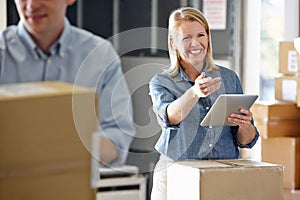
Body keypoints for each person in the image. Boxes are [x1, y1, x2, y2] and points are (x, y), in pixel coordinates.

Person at [0, 0, 135, 167]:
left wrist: (59, 153)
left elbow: (117, 138)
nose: (31, 5)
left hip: (75, 183)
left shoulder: (100, 55)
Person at [149, 7, 259, 199]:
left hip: (221, 173)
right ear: (173, 42)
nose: (195, 43)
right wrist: (194, 92)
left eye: (201, 35)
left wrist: (245, 124)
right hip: (177, 171)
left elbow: (246, 141)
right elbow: (169, 117)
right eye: (186, 37)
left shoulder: (229, 78)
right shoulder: (161, 82)